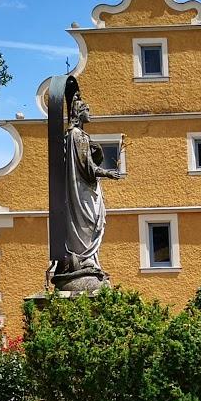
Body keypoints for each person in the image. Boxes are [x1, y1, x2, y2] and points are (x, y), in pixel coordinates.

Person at [61, 93, 124, 278]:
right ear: (79, 112)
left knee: (92, 221)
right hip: (83, 189)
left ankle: (89, 259)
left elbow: (87, 161)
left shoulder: (76, 135)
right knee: (89, 221)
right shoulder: (78, 135)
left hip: (83, 187)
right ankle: (84, 258)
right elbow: (86, 166)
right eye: (87, 110)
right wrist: (107, 172)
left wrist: (97, 152)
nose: (90, 114)